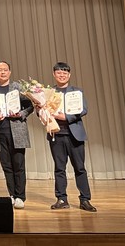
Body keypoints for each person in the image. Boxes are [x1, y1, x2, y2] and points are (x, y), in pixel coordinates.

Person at [43, 62, 96, 212]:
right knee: (59, 168)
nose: (62, 75)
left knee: (80, 168)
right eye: (59, 73)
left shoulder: (76, 92)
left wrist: (66, 117)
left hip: (75, 135)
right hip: (56, 134)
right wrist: (42, 110)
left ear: (69, 75)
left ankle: (85, 199)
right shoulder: (49, 93)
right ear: (54, 74)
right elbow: (41, 111)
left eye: (65, 73)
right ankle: (61, 199)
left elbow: (83, 110)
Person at [0, 60, 33, 210]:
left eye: (5, 69)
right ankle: (12, 194)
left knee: (19, 165)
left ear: (9, 72)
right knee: (6, 166)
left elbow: (30, 105)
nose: (2, 72)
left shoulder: (18, 87)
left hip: (17, 130)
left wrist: (21, 114)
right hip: (0, 131)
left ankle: (20, 196)